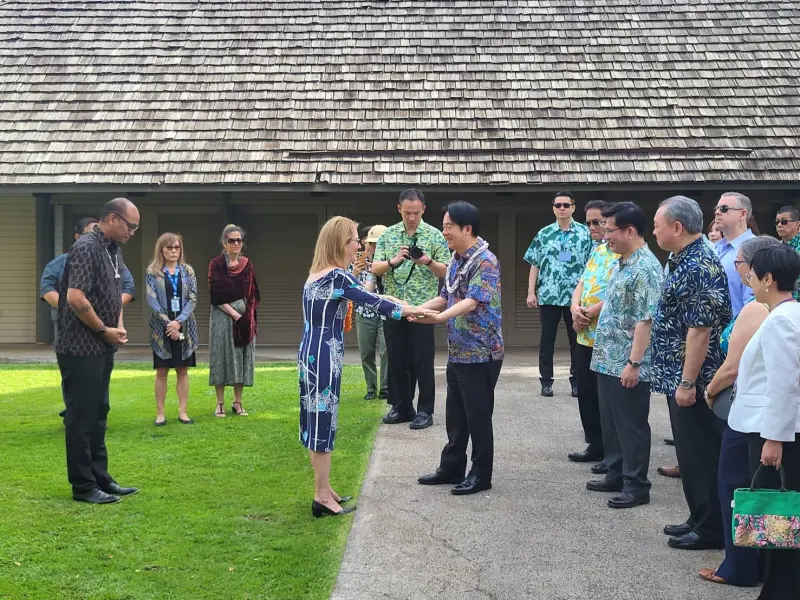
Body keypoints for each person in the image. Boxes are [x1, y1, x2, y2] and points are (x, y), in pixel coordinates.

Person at [299, 216, 431, 518]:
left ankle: (324, 487)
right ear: (340, 243)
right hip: (323, 357)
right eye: (354, 239)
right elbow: (372, 303)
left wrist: (393, 298)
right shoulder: (336, 276)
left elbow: (367, 294)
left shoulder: (322, 273)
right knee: (322, 424)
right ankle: (321, 496)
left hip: (310, 354)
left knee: (313, 420)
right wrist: (413, 310)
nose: (359, 244)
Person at [651, 195, 731, 550]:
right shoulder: (680, 259)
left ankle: (711, 528)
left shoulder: (700, 264)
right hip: (677, 376)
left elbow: (700, 332)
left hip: (695, 381)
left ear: (677, 228)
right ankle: (699, 516)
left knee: (701, 454)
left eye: (657, 225)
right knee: (690, 453)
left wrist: (687, 383)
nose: (654, 231)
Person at [699, 236, 778, 586]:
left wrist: (709, 389)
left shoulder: (755, 308)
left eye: (740, 264)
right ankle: (763, 564)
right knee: (766, 491)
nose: (738, 270)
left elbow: (733, 367)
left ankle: (738, 567)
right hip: (772, 413)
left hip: (748, 410)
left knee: (734, 489)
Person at [727, 244, 800, 599]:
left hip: (775, 432)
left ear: (768, 279)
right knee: (781, 519)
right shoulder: (788, 314)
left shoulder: (781, 320)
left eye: (752, 274)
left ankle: (779, 591)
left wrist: (774, 439)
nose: (748, 279)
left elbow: (784, 386)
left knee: (779, 520)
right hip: (778, 429)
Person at [415, 202, 504, 496]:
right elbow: (447, 296)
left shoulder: (486, 261)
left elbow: (473, 301)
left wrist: (438, 318)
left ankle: (481, 474)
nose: (444, 232)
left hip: (481, 354)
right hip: (458, 351)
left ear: (467, 229)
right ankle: (452, 467)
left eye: (448, 226)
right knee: (455, 414)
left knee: (477, 416)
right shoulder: (456, 259)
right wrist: (414, 309)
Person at [56, 198, 141, 504]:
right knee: (81, 416)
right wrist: (104, 330)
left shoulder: (113, 250)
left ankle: (101, 478)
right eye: (130, 225)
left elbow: (116, 295)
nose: (132, 232)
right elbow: (76, 299)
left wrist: (115, 327)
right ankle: (83, 487)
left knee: (99, 412)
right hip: (79, 348)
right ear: (112, 218)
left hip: (103, 345)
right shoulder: (86, 248)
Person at [585, 202, 663, 509]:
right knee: (612, 422)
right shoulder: (622, 262)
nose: (605, 237)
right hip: (607, 358)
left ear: (629, 231)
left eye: (610, 230)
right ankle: (615, 472)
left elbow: (646, 320)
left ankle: (636, 484)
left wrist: (634, 363)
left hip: (627, 362)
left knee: (630, 424)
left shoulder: (646, 268)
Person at [41, 218, 136, 420]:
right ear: (78, 237)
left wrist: (112, 317)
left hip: (104, 333)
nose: (97, 237)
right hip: (73, 332)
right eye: (90, 232)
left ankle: (100, 413)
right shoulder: (62, 262)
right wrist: (75, 308)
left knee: (101, 377)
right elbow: (48, 290)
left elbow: (127, 288)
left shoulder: (113, 257)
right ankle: (74, 412)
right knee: (77, 380)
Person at [372, 188, 450, 430]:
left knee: (423, 361)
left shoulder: (435, 236)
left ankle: (425, 411)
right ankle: (402, 406)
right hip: (394, 307)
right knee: (396, 359)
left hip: (422, 309)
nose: (412, 217)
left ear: (424, 210)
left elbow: (447, 271)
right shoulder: (388, 235)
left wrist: (427, 261)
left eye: (416, 212)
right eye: (407, 212)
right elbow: (374, 268)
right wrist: (393, 261)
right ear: (399, 209)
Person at [523, 191, 592, 397]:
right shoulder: (543, 234)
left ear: (573, 207)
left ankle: (577, 381)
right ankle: (546, 381)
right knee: (547, 340)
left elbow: (592, 266)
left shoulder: (585, 233)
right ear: (553, 208)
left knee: (576, 340)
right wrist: (530, 292)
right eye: (558, 205)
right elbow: (534, 264)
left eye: (566, 205)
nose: (562, 208)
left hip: (576, 298)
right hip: (549, 295)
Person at [568, 200, 618, 468]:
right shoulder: (597, 251)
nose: (592, 227)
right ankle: (594, 443)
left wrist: (588, 313)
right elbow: (582, 282)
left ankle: (610, 450)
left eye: (597, 222)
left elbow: (615, 293)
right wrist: (575, 307)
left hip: (605, 336)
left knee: (604, 397)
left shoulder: (621, 253)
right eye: (588, 223)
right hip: (584, 334)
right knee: (585, 391)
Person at [145, 232, 198, 426]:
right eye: (169, 247)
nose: (174, 251)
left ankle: (183, 412)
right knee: (162, 370)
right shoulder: (153, 271)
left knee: (182, 370)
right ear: (161, 250)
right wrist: (169, 323)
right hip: (161, 327)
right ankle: (160, 413)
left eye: (177, 247)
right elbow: (151, 299)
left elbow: (193, 298)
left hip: (184, 324)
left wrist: (179, 322)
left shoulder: (187, 271)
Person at [209, 224, 260, 417]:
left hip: (244, 316)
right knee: (221, 356)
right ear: (224, 243)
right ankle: (220, 403)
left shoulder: (247, 264)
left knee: (241, 356)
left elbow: (254, 292)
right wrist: (235, 314)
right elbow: (216, 295)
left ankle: (238, 402)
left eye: (239, 240)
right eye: (232, 240)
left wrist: (248, 316)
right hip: (222, 316)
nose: (236, 243)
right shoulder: (216, 265)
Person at [351, 224, 389, 400]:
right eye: (371, 243)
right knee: (366, 352)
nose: (374, 247)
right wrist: (355, 274)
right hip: (364, 313)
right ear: (364, 243)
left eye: (378, 243)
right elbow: (349, 289)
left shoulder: (390, 261)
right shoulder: (355, 262)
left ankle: (386, 388)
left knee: (386, 351)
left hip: (385, 313)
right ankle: (371, 388)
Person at [714, 192, 756, 317]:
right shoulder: (714, 249)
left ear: (742, 214)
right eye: (716, 209)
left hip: (736, 332)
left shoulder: (754, 249)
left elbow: (752, 304)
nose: (717, 212)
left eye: (724, 209)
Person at [775, 204, 800, 300]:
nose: (779, 225)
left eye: (784, 221)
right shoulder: (774, 248)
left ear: (797, 224)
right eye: (777, 222)